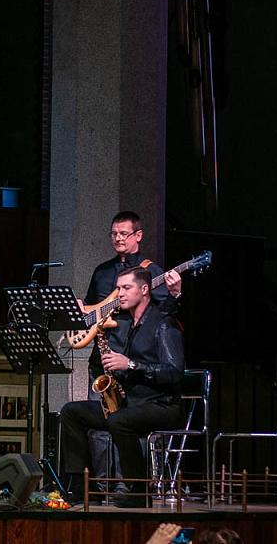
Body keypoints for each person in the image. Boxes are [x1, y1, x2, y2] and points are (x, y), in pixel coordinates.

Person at [61, 266, 185, 508]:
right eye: (118, 288)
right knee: (71, 412)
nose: (120, 294)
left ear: (145, 289)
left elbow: (173, 372)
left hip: (161, 405)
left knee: (119, 420)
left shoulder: (163, 323)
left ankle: (137, 487)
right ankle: (84, 486)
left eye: (126, 288)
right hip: (132, 403)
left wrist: (130, 364)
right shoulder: (128, 325)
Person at [79, 211, 183, 497]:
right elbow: (91, 310)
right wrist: (82, 311)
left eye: (123, 233)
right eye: (113, 233)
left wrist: (175, 294)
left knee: (126, 422)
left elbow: (162, 315)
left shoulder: (150, 271)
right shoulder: (102, 271)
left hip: (132, 360)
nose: (117, 238)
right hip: (103, 358)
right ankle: (100, 488)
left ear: (138, 235)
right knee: (98, 425)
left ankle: (130, 488)